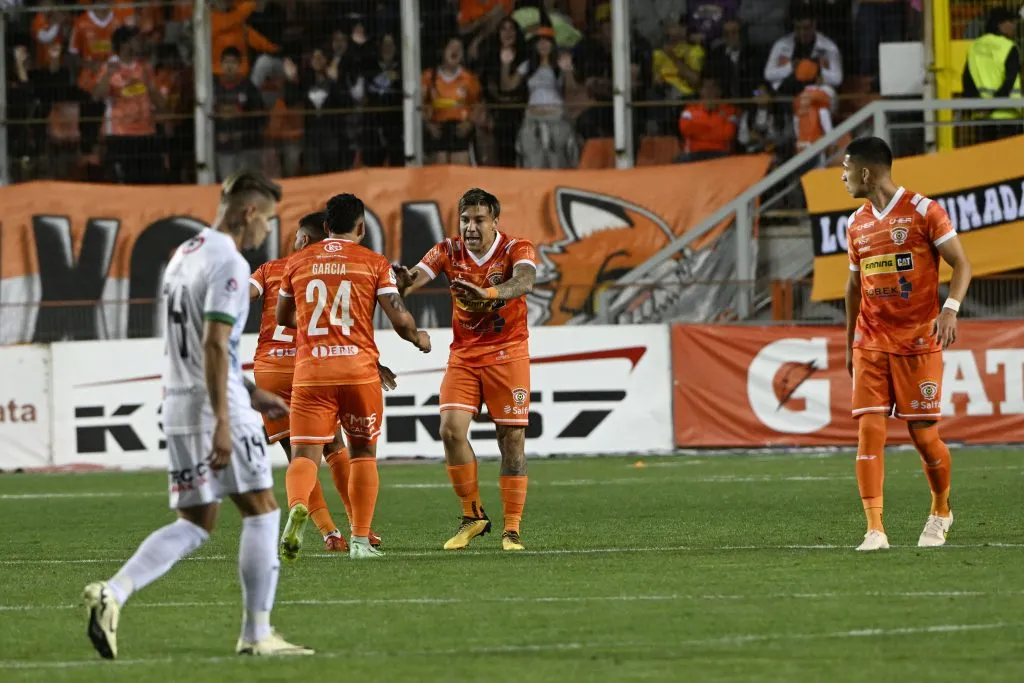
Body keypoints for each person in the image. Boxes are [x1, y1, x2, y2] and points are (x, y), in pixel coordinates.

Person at [82, 171, 313, 658]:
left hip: (181, 403)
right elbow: (212, 343)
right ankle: (256, 634)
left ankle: (113, 592)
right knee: (262, 511)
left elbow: (199, 345)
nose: (267, 231)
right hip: (214, 407)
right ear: (249, 212)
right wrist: (227, 418)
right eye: (267, 219)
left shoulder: (183, 255)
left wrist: (251, 388)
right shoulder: (228, 260)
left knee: (196, 520)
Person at [276, 194, 431, 561]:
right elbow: (400, 318)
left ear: (326, 227)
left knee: (304, 455)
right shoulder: (373, 263)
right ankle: (360, 541)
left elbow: (283, 315)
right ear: (360, 228)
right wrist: (418, 338)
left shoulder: (297, 262)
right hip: (359, 373)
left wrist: (319, 327)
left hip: (312, 373)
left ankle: (298, 505)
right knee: (362, 454)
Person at [841, 137, 972, 552]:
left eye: (846, 169)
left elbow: (962, 263)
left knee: (923, 435)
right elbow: (852, 287)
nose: (842, 178)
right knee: (869, 429)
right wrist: (849, 343)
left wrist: (949, 309)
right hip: (871, 340)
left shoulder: (923, 211)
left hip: (919, 339)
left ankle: (940, 511)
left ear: (865, 172)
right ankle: (874, 529)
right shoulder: (855, 223)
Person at [395, 188, 536, 552]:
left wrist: (487, 295)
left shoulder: (516, 248)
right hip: (465, 356)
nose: (470, 227)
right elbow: (413, 279)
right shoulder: (447, 250)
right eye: (465, 220)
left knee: (511, 440)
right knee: (450, 430)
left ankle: (512, 530)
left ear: (495, 221)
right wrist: (399, 280)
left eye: (479, 220)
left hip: (508, 353)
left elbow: (524, 282)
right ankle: (474, 517)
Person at [249, 212, 389, 552]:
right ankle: (360, 530)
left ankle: (328, 532)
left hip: (268, 369)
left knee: (299, 454)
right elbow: (340, 325)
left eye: (298, 236)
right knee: (337, 449)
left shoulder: (269, 269)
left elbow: (243, 295)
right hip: (309, 364)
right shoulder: (325, 268)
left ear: (303, 239)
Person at [93, 25, 166, 184]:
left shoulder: (146, 68)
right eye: (136, 40)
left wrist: (149, 85)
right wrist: (108, 75)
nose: (140, 43)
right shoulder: (109, 68)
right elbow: (97, 96)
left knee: (150, 183)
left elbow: (161, 104)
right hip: (120, 136)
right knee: (126, 183)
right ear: (124, 44)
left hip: (146, 134)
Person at [962, 8, 1022, 143]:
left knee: (986, 157)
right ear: (1000, 25)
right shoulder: (1008, 47)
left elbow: (967, 79)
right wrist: (992, 105)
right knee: (1008, 158)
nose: (1014, 26)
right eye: (1011, 22)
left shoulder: (975, 46)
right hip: (1007, 114)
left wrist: (977, 105)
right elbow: (1009, 81)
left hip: (981, 116)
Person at [422, 36, 483, 165]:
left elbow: (478, 105)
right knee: (439, 166)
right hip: (437, 130)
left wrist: (469, 124)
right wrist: (429, 125)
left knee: (460, 169)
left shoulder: (469, 79)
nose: (455, 50)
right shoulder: (428, 76)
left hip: (460, 129)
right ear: (443, 51)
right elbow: (419, 105)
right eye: (451, 46)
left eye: (459, 48)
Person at [214, 46, 265, 181]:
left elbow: (260, 115)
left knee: (246, 186)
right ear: (221, 64)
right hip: (223, 148)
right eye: (226, 62)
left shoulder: (248, 87)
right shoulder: (214, 87)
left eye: (233, 62)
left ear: (239, 65)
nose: (229, 66)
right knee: (228, 185)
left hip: (246, 148)